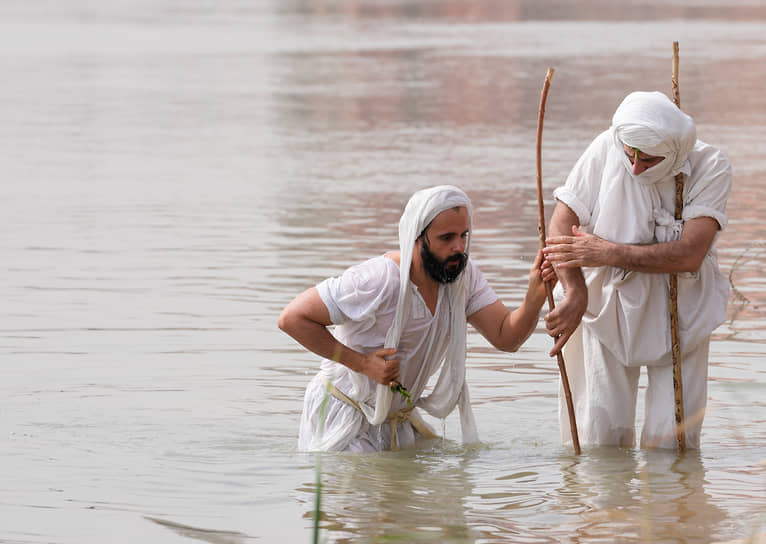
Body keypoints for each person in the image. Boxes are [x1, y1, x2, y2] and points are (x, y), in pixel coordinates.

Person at [279, 185, 553, 452]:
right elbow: (293, 318)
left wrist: (534, 297)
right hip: (343, 416)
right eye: (447, 238)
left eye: (464, 235)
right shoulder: (382, 279)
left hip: (396, 421)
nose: (459, 247)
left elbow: (506, 337)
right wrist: (362, 364)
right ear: (416, 237)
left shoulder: (463, 278)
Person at [542, 91, 732, 449]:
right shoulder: (606, 147)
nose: (634, 168)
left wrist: (607, 252)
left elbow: (689, 254)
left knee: (673, 442)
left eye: (648, 160)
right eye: (630, 155)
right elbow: (560, 227)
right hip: (605, 307)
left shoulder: (710, 166)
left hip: (682, 314)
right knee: (600, 439)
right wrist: (575, 291)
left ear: (675, 153)